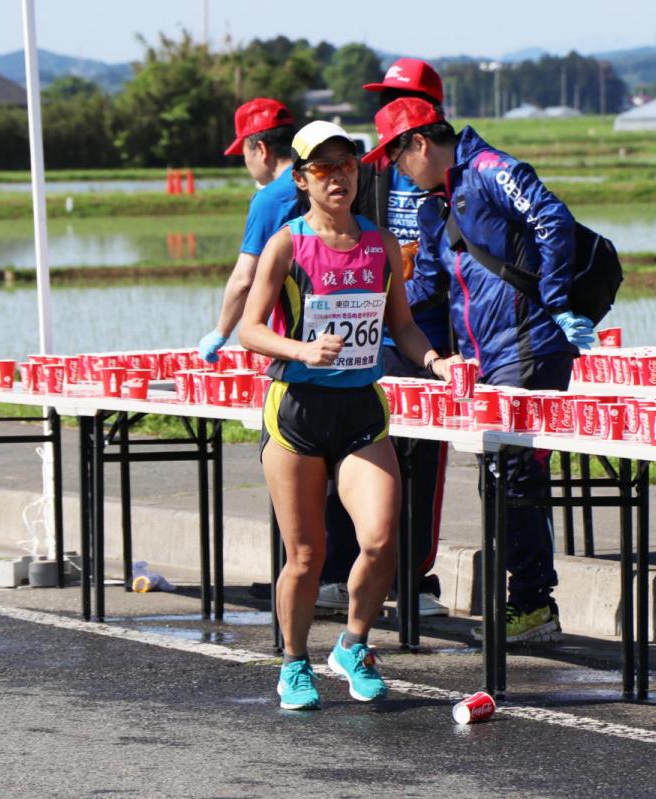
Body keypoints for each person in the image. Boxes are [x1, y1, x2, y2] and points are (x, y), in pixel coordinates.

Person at [364, 98, 595, 643]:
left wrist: (558, 300)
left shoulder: (490, 170)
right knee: (499, 478)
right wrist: (369, 311)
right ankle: (527, 601)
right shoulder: (436, 205)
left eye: (397, 158)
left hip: (529, 345)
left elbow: (552, 217)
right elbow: (428, 286)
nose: (396, 171)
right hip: (483, 358)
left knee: (517, 475)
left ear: (420, 142)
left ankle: (535, 603)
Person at [238, 120, 451, 710]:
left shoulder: (380, 244)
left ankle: (353, 645)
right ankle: (293, 662)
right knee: (305, 557)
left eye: (348, 166)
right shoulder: (287, 242)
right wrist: (302, 349)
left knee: (382, 538)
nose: (339, 177)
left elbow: (402, 326)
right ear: (303, 179)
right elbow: (251, 330)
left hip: (360, 408)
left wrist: (436, 360)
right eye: (324, 169)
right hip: (298, 412)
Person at [316, 58, 453, 618]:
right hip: (371, 337)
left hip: (433, 336)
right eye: (383, 100)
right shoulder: (370, 172)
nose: (384, 114)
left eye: (398, 99)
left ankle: (414, 580)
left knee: (422, 463)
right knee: (355, 453)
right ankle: (340, 570)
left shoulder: (451, 175)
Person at [198, 98, 300, 364]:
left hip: (293, 335)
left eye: (244, 153)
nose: (246, 163)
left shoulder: (270, 199)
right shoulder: (328, 181)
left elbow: (244, 279)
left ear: (262, 150)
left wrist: (220, 332)